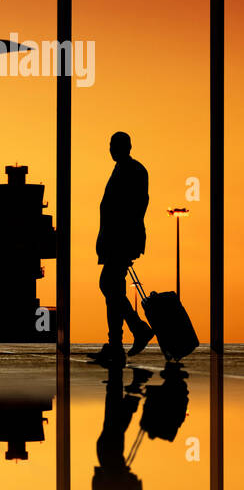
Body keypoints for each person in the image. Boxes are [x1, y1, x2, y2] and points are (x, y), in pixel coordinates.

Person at [93, 131, 153, 368]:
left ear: (125, 147)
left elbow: (135, 206)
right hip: (117, 240)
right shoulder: (125, 169)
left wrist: (122, 238)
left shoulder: (132, 170)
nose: (110, 149)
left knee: (109, 284)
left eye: (114, 145)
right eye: (110, 145)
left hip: (121, 239)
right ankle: (129, 334)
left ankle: (125, 338)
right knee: (112, 286)